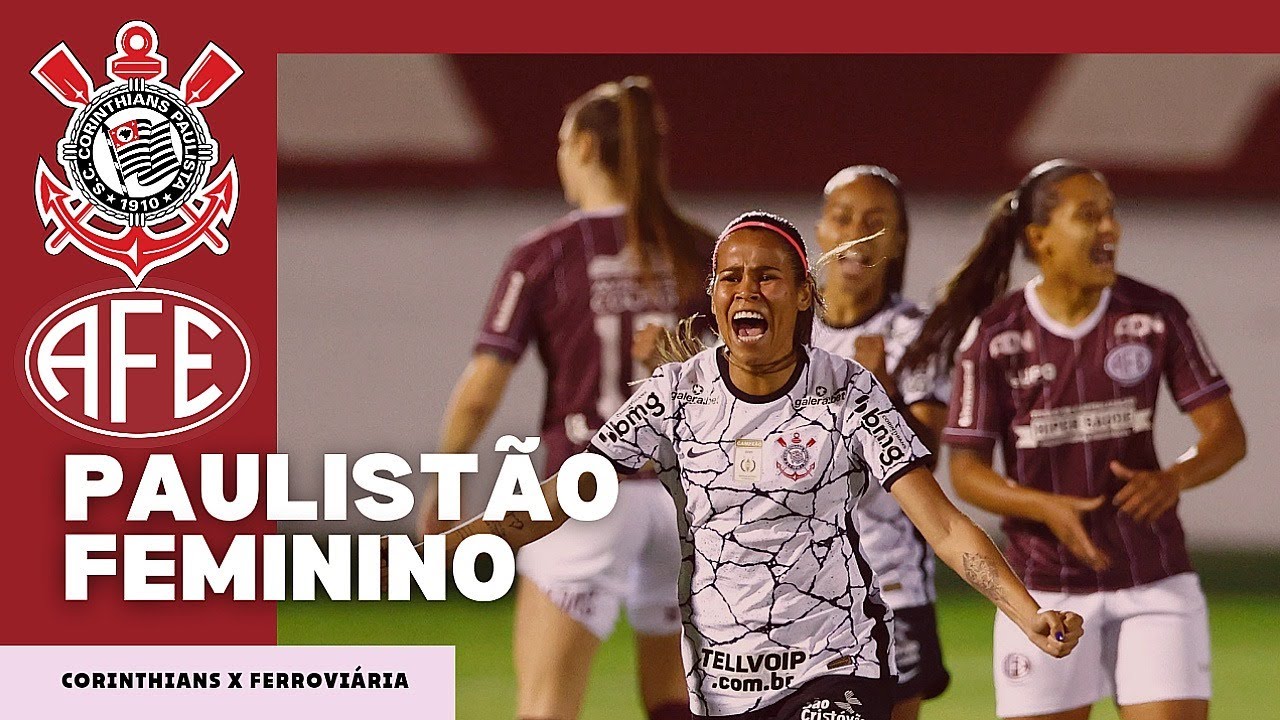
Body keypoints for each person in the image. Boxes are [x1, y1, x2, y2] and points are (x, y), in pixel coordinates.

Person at [443, 211, 1084, 720]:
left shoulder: (848, 392)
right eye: (731, 277)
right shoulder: (674, 395)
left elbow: (942, 526)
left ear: (806, 293)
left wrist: (1026, 613)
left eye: (768, 277)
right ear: (714, 296)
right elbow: (565, 496)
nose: (747, 290)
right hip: (723, 683)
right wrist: (451, 546)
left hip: (836, 662)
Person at [906, 160, 1247, 720]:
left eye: (1112, 214)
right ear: (1039, 239)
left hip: (1153, 578)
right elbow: (967, 473)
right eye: (1090, 216)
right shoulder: (995, 335)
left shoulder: (1155, 315)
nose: (1110, 228)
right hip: (1043, 588)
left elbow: (1227, 435)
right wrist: (1044, 507)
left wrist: (1174, 478)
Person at [423, 76, 715, 720]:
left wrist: (446, 477)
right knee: (674, 701)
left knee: (546, 705)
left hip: (581, 492)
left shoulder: (547, 253)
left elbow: (482, 387)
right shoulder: (701, 251)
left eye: (561, 142)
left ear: (583, 146)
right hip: (685, 500)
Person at [811, 166, 951, 720]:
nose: (858, 233)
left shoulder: (916, 334)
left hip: (888, 577)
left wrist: (883, 390)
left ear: (897, 241)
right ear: (820, 231)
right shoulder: (788, 332)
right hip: (793, 575)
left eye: (876, 222)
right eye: (843, 218)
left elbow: (925, 456)